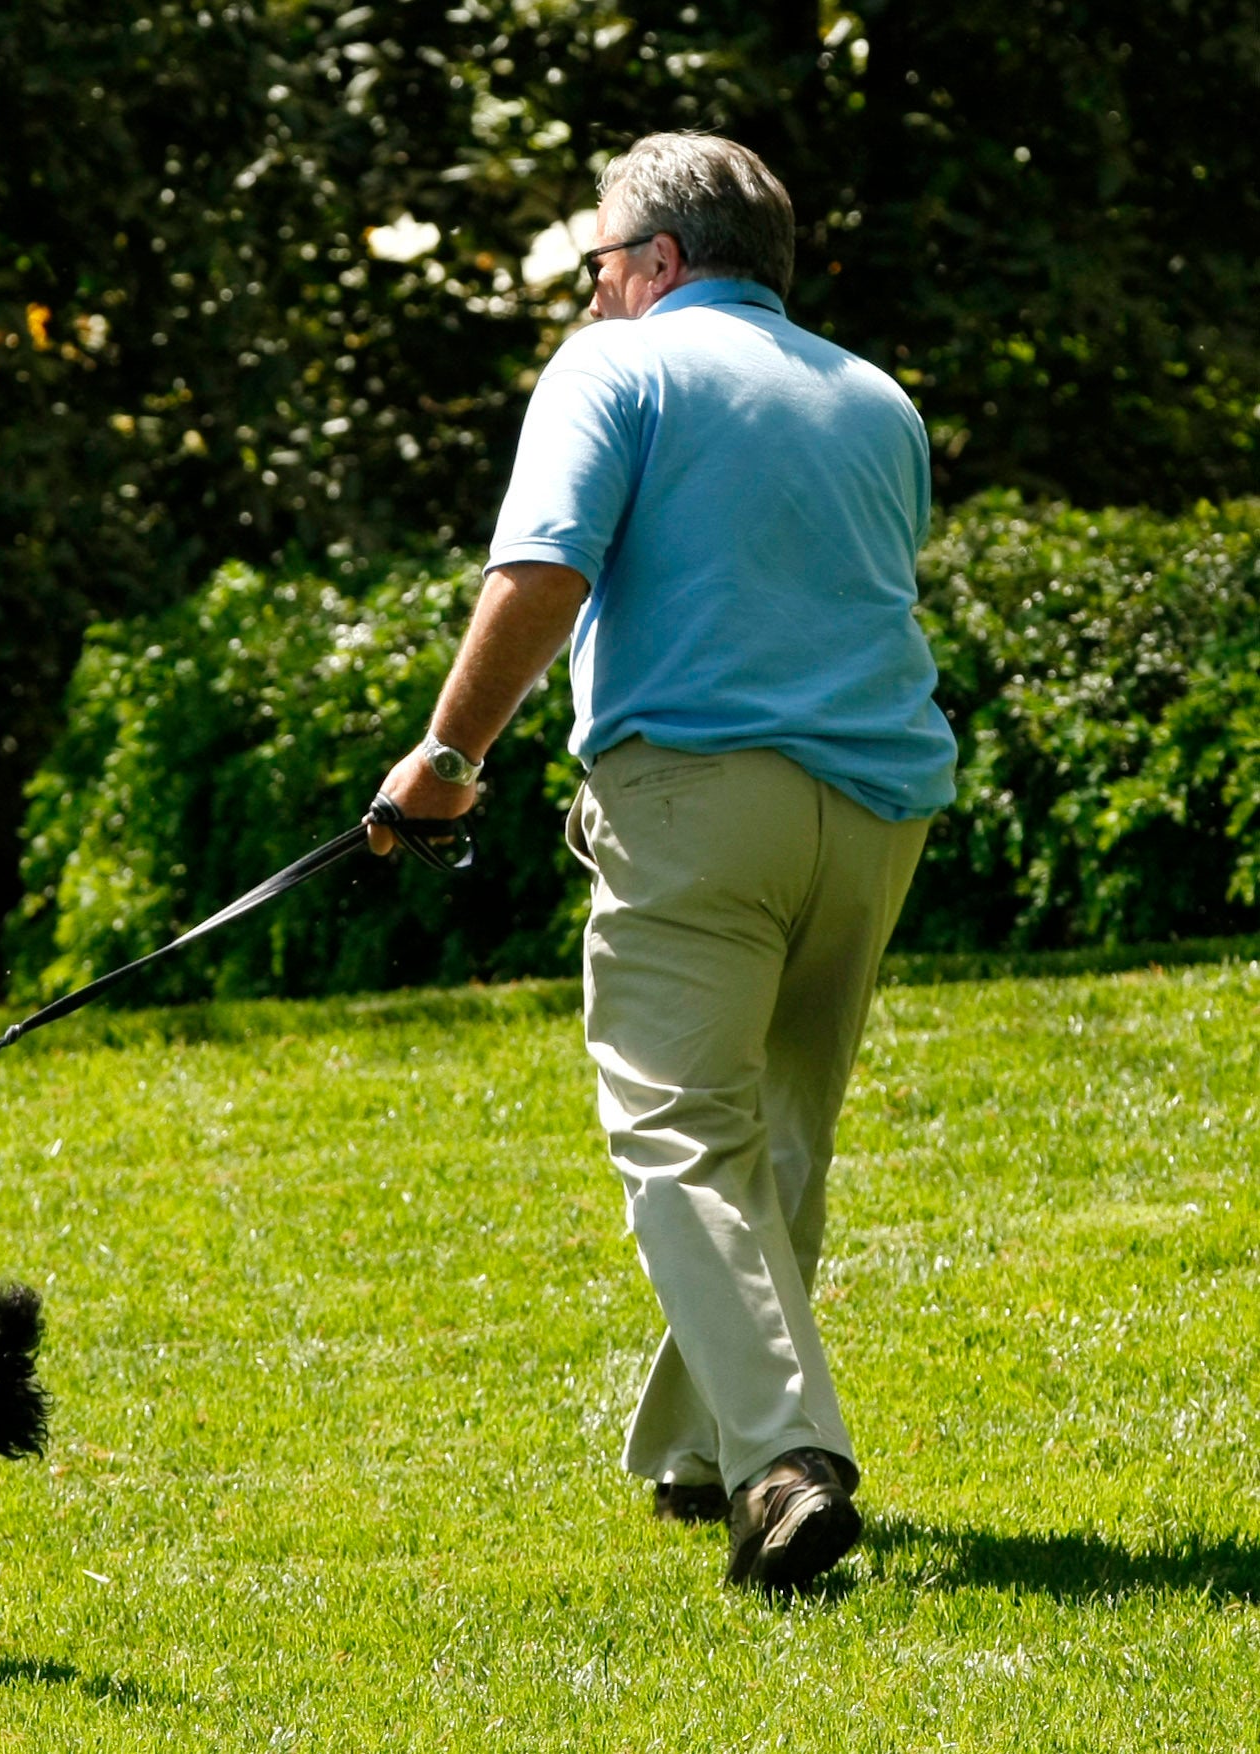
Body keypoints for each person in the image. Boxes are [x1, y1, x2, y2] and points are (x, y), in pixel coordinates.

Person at [370, 132, 957, 1592]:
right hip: (881, 809)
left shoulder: (614, 369)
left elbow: (545, 568)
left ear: (659, 262)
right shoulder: (875, 399)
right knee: (778, 1136)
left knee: (681, 1137)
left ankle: (784, 1460)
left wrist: (443, 762)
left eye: (595, 267)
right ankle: (706, 1454)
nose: (587, 297)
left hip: (701, 800)